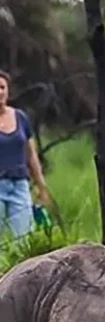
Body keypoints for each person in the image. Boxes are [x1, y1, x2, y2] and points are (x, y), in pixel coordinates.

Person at [0, 69, 52, 241]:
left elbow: (31, 156)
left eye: (2, 87)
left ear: (8, 90)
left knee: (23, 238)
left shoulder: (20, 117)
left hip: (19, 185)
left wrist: (41, 187)